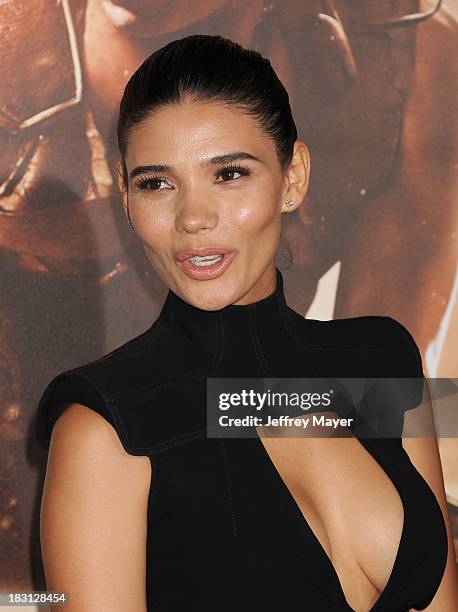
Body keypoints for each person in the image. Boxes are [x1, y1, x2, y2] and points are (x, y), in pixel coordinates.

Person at [34, 34, 457, 611]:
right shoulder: (109, 425)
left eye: (229, 174)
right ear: (128, 201)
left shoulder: (382, 360)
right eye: (156, 183)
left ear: (293, 177)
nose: (193, 218)